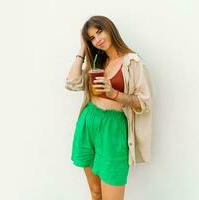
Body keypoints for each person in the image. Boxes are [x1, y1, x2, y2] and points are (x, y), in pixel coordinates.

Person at [65, 15, 154, 200]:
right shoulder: (98, 61)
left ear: (109, 29)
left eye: (99, 32)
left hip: (113, 129)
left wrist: (114, 93)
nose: (97, 39)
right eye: (91, 38)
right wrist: (82, 49)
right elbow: (72, 83)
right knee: (96, 193)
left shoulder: (132, 61)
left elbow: (144, 102)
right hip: (88, 122)